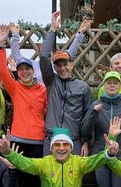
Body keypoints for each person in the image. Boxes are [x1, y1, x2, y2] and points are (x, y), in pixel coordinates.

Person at [0, 24, 48, 187]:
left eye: (28, 69)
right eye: (21, 70)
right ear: (17, 73)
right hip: (18, 139)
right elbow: (1, 69)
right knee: (22, 183)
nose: (25, 72)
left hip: (38, 140)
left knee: (36, 182)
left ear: (33, 71)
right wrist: (1, 45)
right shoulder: (15, 88)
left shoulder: (43, 90)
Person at [39, 11, 93, 157]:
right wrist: (52, 29)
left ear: (71, 65)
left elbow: (87, 116)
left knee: (72, 179)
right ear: (54, 67)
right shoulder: (51, 81)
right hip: (51, 138)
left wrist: (85, 141)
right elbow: (44, 56)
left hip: (73, 140)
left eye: (65, 64)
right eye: (58, 65)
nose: (62, 68)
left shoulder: (82, 87)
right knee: (50, 178)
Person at [9, 19, 89, 86]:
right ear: (38, 51)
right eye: (42, 49)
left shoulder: (56, 64)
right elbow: (17, 56)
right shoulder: (32, 65)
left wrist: (80, 33)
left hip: (54, 96)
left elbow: (70, 53)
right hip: (38, 97)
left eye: (47, 49)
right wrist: (15, 35)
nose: (45, 51)